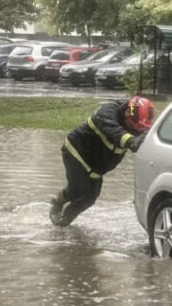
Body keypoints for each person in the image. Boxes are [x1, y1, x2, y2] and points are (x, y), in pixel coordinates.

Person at [49, 96, 155, 226]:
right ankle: (57, 202)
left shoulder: (135, 124)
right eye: (135, 124)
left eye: (141, 127)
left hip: (96, 166)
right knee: (76, 190)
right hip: (77, 153)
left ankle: (63, 223)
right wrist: (134, 142)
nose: (137, 129)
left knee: (89, 198)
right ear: (128, 111)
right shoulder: (106, 113)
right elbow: (118, 135)